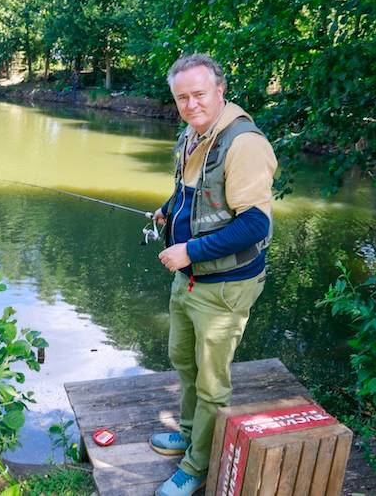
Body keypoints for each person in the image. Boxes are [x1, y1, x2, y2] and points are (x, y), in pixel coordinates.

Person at [151, 54, 277, 496]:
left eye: (199, 94)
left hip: (225, 286)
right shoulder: (194, 134)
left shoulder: (244, 144)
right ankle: (189, 433)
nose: (190, 104)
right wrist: (167, 212)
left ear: (221, 90)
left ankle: (197, 465)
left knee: (211, 380)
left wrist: (189, 250)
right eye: (182, 97)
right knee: (183, 359)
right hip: (190, 278)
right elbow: (190, 193)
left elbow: (254, 225)